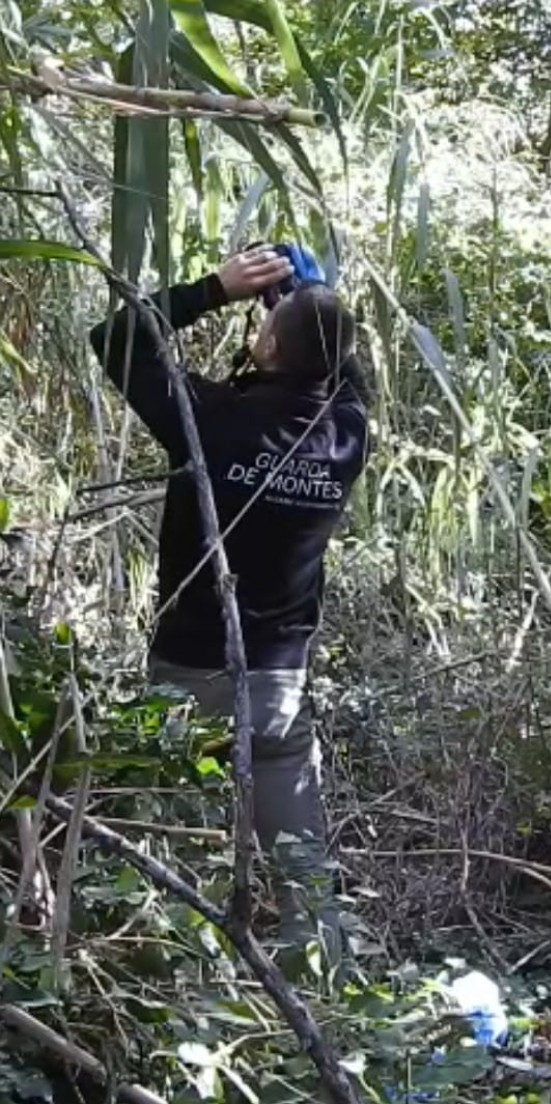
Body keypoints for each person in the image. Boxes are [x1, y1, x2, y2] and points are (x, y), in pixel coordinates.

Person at [88, 246, 369, 974]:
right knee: (305, 877)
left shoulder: (209, 419)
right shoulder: (344, 434)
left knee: (162, 847)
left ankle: (166, 974)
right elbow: (346, 372)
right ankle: (322, 987)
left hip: (187, 670)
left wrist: (215, 288)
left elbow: (116, 338)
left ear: (268, 342)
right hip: (278, 684)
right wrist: (313, 299)